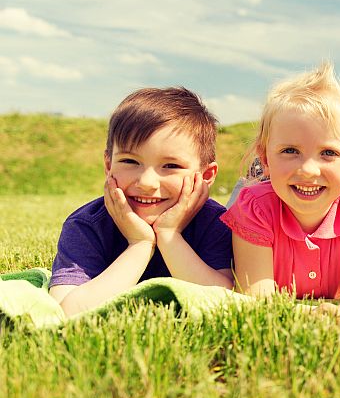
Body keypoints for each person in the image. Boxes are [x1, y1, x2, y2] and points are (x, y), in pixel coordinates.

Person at [222, 62, 340, 325]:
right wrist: (309, 316)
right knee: (250, 192)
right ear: (265, 157)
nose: (309, 170)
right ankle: (257, 176)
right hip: (261, 195)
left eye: (329, 153)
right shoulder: (254, 208)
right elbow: (256, 301)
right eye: (290, 151)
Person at [49, 87, 234, 316]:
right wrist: (139, 244)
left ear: (206, 176)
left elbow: (223, 304)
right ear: (108, 166)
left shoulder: (215, 223)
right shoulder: (86, 225)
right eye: (130, 161)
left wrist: (169, 236)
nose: (147, 182)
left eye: (171, 166)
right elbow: (68, 312)